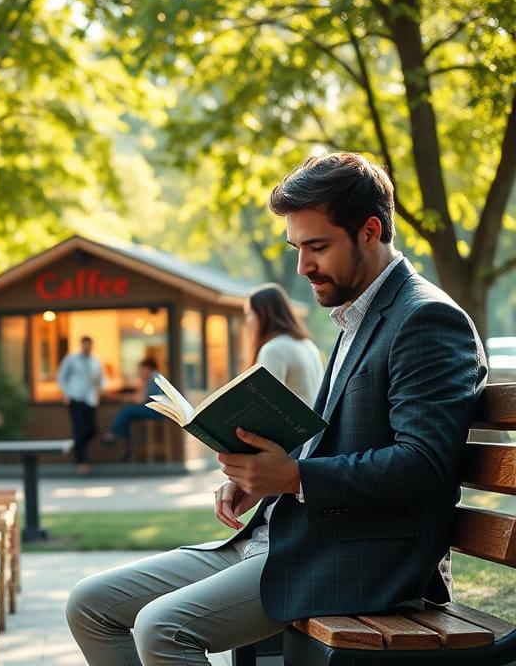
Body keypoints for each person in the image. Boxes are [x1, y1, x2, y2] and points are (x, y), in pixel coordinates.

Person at [67, 152, 486, 665]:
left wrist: (292, 477)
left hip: (353, 557)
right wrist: (257, 478)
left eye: (317, 247)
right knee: (89, 603)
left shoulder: (426, 319)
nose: (302, 266)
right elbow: (337, 438)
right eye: (296, 247)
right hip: (287, 534)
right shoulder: (362, 312)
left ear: (370, 231)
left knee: (162, 627)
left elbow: (424, 465)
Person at [243, 283, 323, 407]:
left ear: (263, 314)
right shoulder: (308, 344)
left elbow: (265, 405)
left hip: (296, 425)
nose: (247, 321)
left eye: (249, 314)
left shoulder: (273, 349)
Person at [57, 335, 105, 474]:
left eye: (89, 345)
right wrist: (66, 393)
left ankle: (76, 447)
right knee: (78, 429)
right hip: (75, 397)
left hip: (90, 398)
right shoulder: (71, 359)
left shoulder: (95, 361)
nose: (87, 347)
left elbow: (101, 379)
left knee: (92, 429)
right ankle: (80, 461)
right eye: (85, 345)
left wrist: (100, 391)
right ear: (81, 345)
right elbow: (61, 376)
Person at [101, 357, 164, 461]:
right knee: (127, 416)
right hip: (155, 410)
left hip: (158, 411)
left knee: (127, 410)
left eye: (141, 370)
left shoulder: (154, 376)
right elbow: (140, 397)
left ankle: (114, 436)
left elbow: (140, 399)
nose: (139, 372)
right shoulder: (152, 377)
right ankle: (126, 446)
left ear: (148, 368)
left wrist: (123, 397)